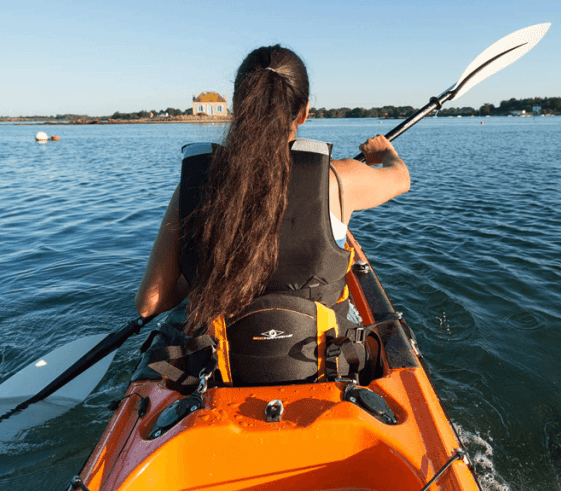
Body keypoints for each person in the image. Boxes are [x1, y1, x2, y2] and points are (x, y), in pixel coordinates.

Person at [134, 45, 409, 352]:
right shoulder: (339, 178)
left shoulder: (196, 182)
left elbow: (149, 303)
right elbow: (401, 178)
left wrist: (202, 280)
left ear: (239, 107)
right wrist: (385, 152)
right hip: (319, 359)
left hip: (218, 364)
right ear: (303, 112)